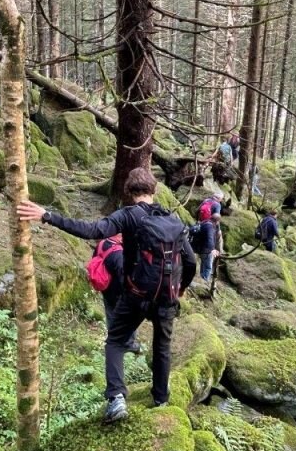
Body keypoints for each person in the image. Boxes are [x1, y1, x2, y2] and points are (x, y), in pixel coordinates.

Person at [18, 167, 196, 423]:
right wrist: (180, 288)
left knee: (115, 340)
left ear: (129, 192)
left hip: (136, 295)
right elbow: (190, 262)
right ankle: (161, 399)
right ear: (154, 191)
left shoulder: (127, 216)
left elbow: (91, 230)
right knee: (162, 348)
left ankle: (117, 399)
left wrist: (46, 215)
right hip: (166, 298)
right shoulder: (175, 221)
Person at [87, 235, 142, 355]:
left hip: (106, 289)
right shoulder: (118, 253)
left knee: (111, 315)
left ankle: (113, 339)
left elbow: (94, 259)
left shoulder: (102, 244)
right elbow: (123, 275)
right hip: (118, 292)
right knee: (128, 317)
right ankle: (129, 344)